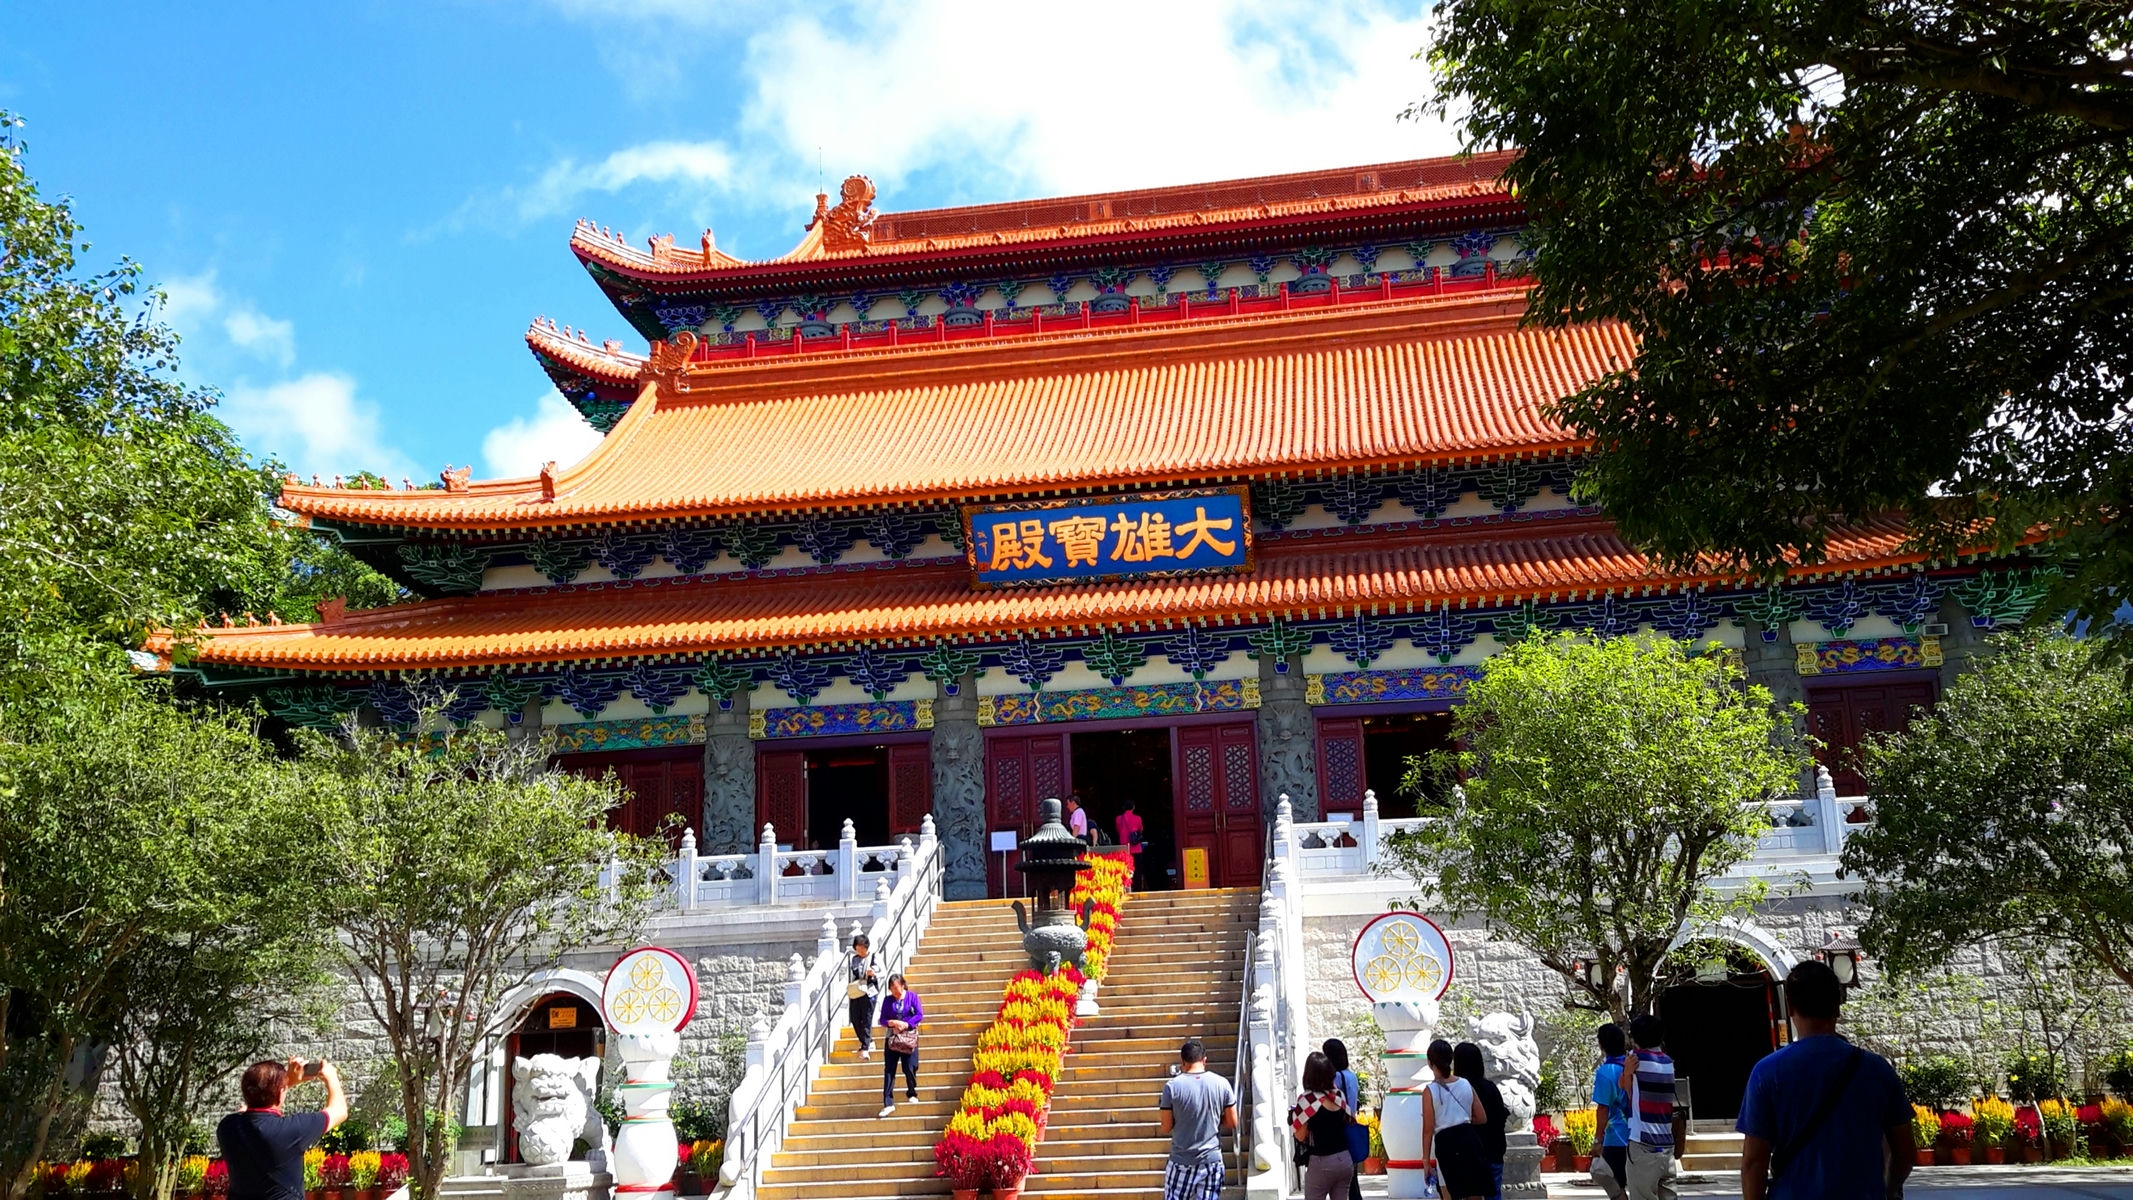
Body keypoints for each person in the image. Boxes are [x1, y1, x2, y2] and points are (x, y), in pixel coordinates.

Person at [1738, 960, 1913, 1200]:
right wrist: (1888, 1188)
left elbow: (1753, 1162)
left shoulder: (1767, 1072)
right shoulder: (1877, 1070)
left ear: (1790, 1007)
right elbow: (1904, 1151)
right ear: (1837, 1007)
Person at [218, 1059, 347, 1200]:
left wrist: (285, 1084)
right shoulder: (289, 1131)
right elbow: (340, 1110)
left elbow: (247, 1110)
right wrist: (332, 1077)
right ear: (280, 1093)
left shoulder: (227, 1127)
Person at [1158, 1039, 1237, 1200]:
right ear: (1204, 1060)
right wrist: (1215, 1118)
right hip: (1212, 1160)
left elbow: (1166, 1126)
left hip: (1181, 1160)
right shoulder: (1222, 1084)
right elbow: (1232, 1122)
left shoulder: (1171, 1087)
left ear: (1183, 1062)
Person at [1623, 1015, 1684, 1200]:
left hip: (1643, 1144)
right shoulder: (1667, 1062)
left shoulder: (1636, 1060)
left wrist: (1627, 1072)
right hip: (1666, 1146)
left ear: (1636, 1038)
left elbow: (1626, 1090)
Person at [1419, 1039, 1489, 1200]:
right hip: (1468, 1141)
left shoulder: (1430, 1091)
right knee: (1474, 1192)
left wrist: (1425, 1162)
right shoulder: (1465, 1084)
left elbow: (1428, 1130)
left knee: (1449, 1191)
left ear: (1430, 1062)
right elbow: (1481, 1117)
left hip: (1446, 1145)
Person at [1290, 1051, 1353, 1200]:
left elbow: (1300, 1135)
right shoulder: (1338, 1096)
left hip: (1321, 1161)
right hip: (1345, 1159)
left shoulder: (1307, 1099)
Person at [1454, 1043, 1509, 1200]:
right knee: (1494, 1193)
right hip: (1494, 1149)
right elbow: (1501, 1116)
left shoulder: (1459, 1090)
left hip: (1469, 1152)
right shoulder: (1490, 1087)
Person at [1589, 1022, 1633, 1200]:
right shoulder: (1633, 1066)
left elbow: (1603, 1109)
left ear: (1601, 1045)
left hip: (1615, 1137)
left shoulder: (1605, 1072)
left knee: (1617, 1189)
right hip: (1638, 1134)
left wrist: (1598, 1138)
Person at [1323, 1038, 1367, 1200]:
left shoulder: (1335, 1078)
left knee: (1343, 1184)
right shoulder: (1352, 1076)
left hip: (1339, 1131)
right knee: (1352, 1177)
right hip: (1351, 1125)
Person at [876, 972, 924, 1116]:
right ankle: (888, 1102)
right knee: (889, 1070)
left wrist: (906, 1024)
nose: (894, 992)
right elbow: (882, 1019)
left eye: (896, 988)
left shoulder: (912, 997)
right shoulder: (887, 1000)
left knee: (910, 1067)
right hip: (892, 1039)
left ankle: (912, 1092)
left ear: (902, 985)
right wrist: (891, 1023)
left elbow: (919, 1014)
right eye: (892, 989)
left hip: (908, 1038)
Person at [847, 932, 880, 1059]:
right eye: (857, 948)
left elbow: (883, 971)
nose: (859, 951)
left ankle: (865, 1047)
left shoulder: (874, 956)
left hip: (869, 990)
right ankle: (869, 1041)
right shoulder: (854, 959)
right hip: (857, 991)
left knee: (867, 1018)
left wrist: (874, 972)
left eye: (861, 948)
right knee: (855, 1018)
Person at [1115, 800, 1145, 887]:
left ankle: (1126, 887)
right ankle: (1137, 888)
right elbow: (1141, 830)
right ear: (1133, 807)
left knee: (1125, 869)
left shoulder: (1119, 819)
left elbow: (1118, 830)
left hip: (1124, 848)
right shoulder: (1138, 818)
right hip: (1136, 848)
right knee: (1137, 870)